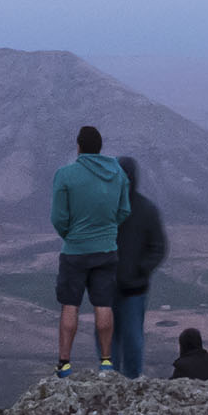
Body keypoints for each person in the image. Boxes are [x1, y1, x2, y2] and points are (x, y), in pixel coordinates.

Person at [50, 125, 131, 377]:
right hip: (106, 249)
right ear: (100, 147)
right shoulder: (117, 173)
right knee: (103, 304)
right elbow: (124, 210)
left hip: (74, 250)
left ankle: (64, 363)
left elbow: (58, 217)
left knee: (70, 305)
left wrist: (72, 236)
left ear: (79, 147)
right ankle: (106, 361)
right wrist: (107, 230)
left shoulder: (65, 175)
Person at [97, 155, 166, 379]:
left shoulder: (146, 210)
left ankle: (133, 382)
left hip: (133, 290)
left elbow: (159, 246)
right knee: (106, 338)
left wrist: (140, 270)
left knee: (133, 339)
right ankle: (110, 380)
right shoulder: (104, 208)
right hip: (107, 288)